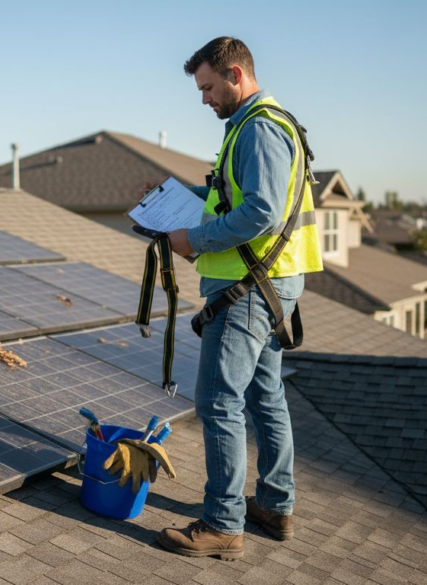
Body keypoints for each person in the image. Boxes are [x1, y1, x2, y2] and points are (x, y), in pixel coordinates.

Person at [156, 37, 324, 560]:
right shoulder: (266, 125)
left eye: (207, 87)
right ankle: (275, 505)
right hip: (269, 285)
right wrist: (176, 201)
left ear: (234, 74)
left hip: (247, 290)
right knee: (263, 394)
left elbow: (261, 213)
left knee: (219, 401)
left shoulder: (257, 129)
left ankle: (224, 524)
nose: (203, 98)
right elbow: (234, 199)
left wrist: (194, 241)